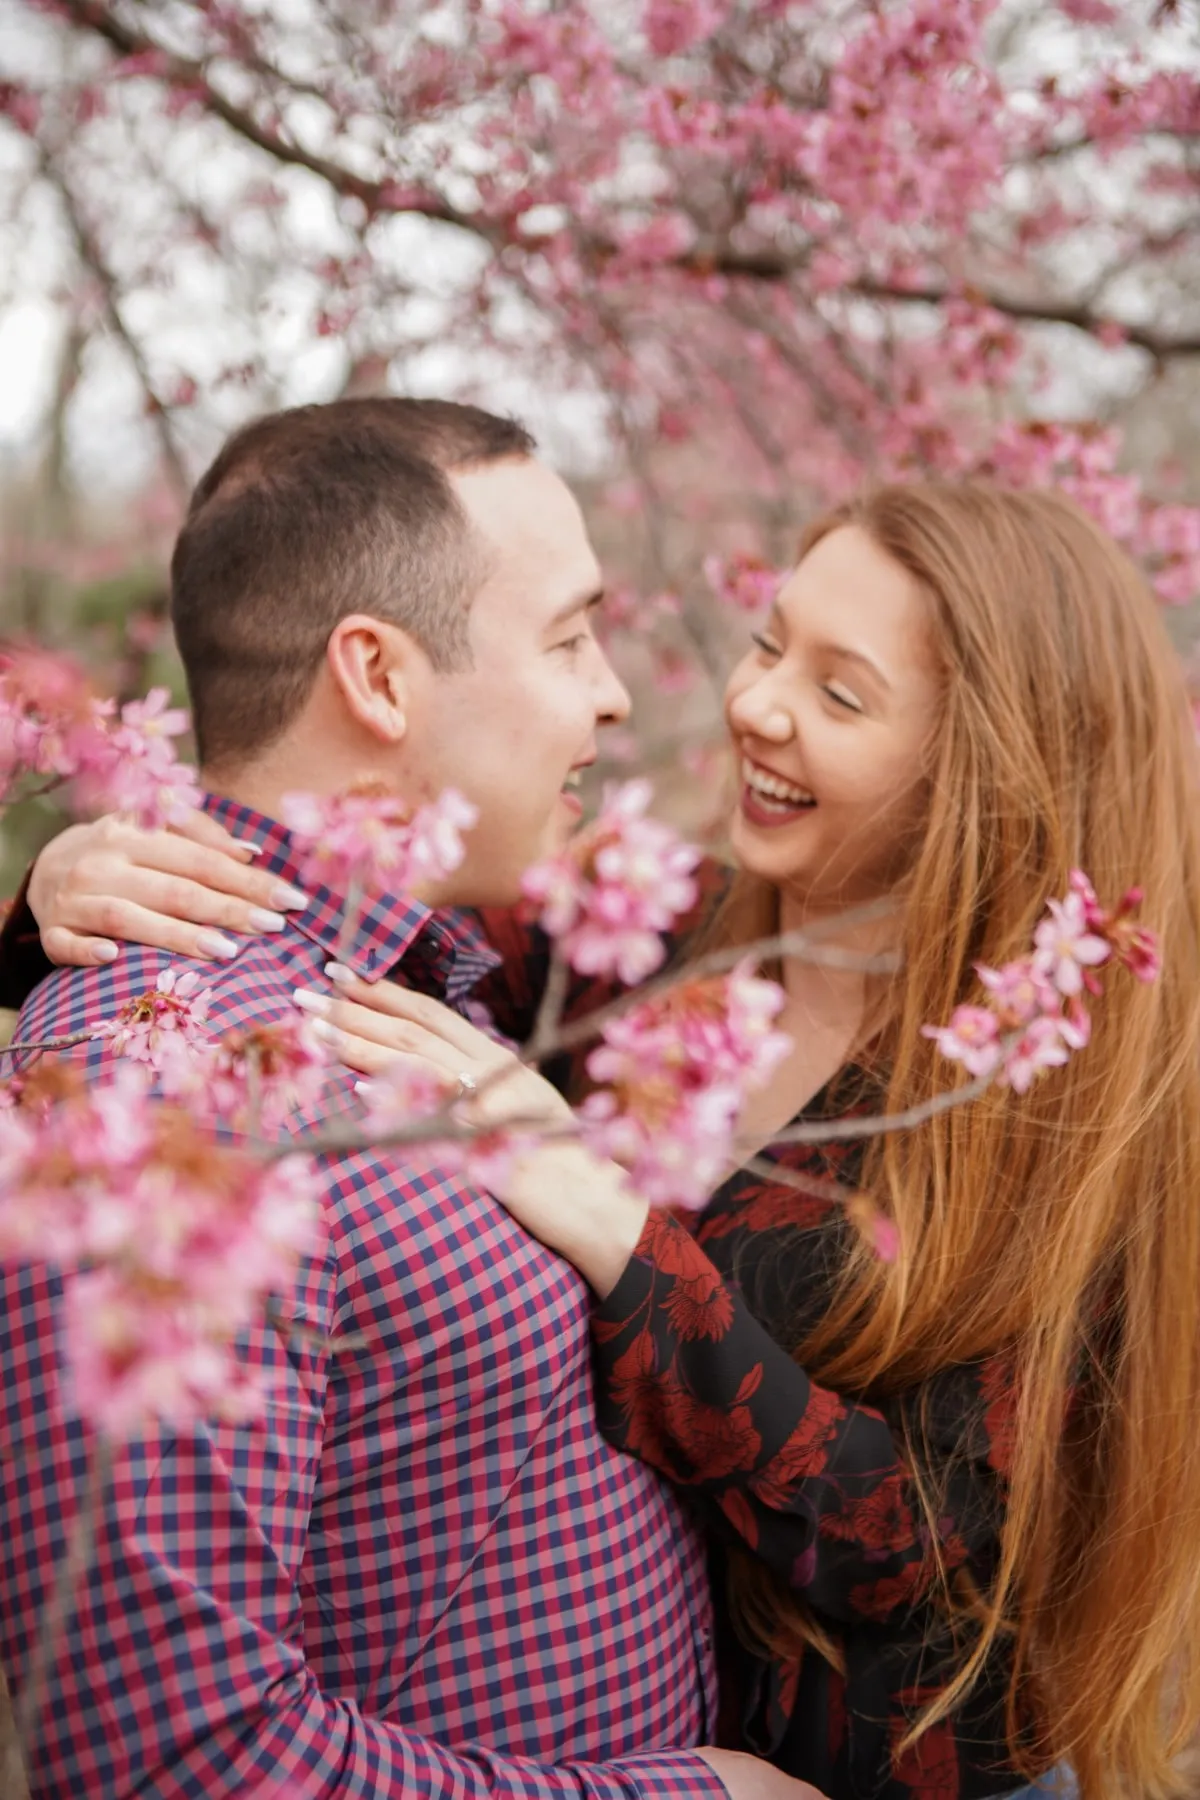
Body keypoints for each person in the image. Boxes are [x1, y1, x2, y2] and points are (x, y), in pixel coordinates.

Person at [16, 480, 1200, 1800]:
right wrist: (67, 893)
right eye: (769, 643)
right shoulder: (649, 950)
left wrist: (628, 1245)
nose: (756, 705)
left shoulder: (1052, 1105)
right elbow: (342, 920)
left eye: (841, 694)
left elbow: (926, 1544)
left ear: (981, 767)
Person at [0, 399, 827, 1800]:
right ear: (379, 680)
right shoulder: (165, 1102)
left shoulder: (428, 977)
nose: (615, 694)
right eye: (568, 637)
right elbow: (169, 1756)